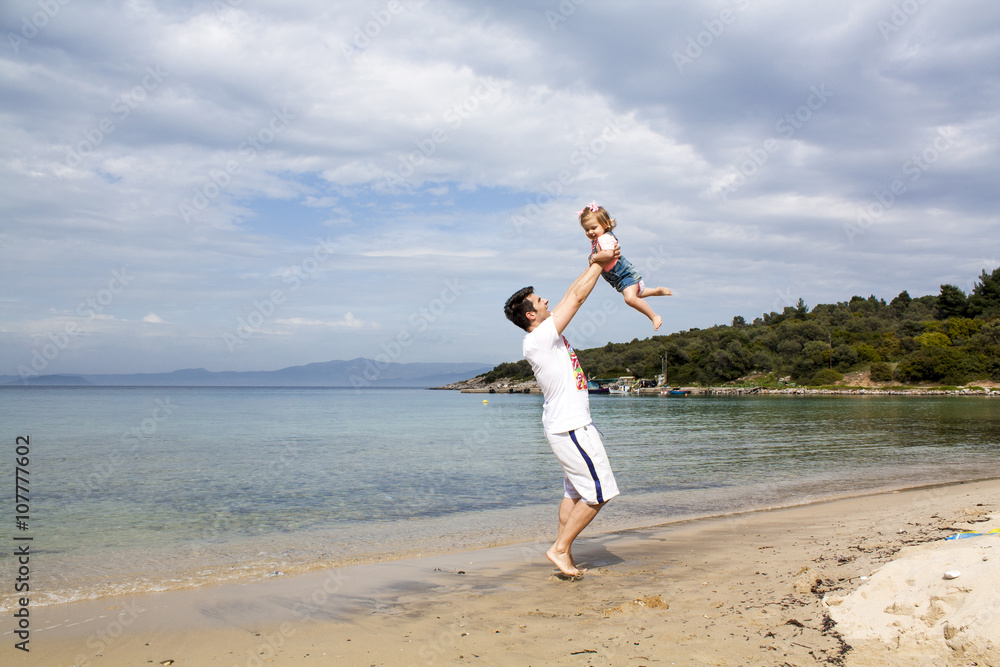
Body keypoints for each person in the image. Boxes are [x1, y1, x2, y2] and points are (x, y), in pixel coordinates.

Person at [503, 244, 621, 578]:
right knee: (599, 494)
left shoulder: (544, 334)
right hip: (571, 427)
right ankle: (558, 549)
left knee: (574, 493)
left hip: (565, 426)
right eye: (540, 301)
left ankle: (563, 552)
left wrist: (591, 263)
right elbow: (577, 299)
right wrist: (601, 264)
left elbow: (572, 292)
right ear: (531, 315)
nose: (546, 302)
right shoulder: (539, 338)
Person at [578, 201, 672, 331]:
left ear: (605, 224)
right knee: (637, 293)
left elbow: (609, 254)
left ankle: (654, 316)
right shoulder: (596, 241)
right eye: (586, 229)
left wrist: (593, 257)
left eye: (593, 228)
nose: (590, 232)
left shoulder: (604, 238)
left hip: (624, 274)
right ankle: (657, 291)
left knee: (630, 299)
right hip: (618, 278)